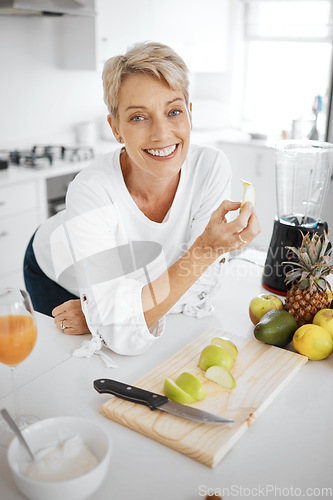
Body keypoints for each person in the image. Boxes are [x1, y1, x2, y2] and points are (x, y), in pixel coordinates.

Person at [24, 41, 260, 359]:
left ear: (190, 114)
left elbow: (201, 290)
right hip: (55, 268)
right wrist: (206, 250)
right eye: (138, 118)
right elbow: (123, 336)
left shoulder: (210, 167)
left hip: (124, 279)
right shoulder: (91, 189)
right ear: (116, 128)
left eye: (174, 111)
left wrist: (107, 313)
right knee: (70, 367)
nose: (161, 134)